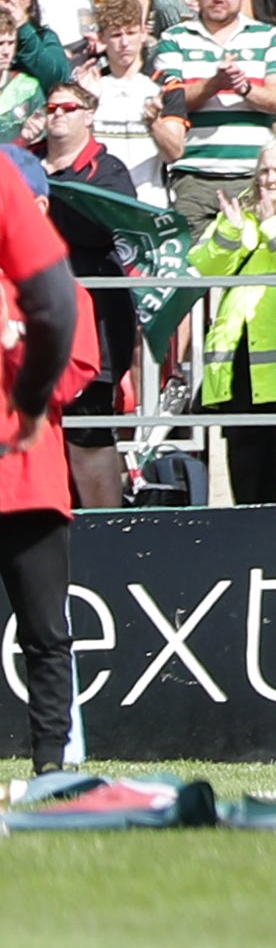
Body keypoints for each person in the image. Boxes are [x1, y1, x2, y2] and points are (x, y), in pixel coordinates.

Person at [0, 138, 85, 776]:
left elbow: (69, 380)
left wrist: (16, 347)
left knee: (46, 634)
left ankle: (51, 766)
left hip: (29, 483)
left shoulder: (61, 293)